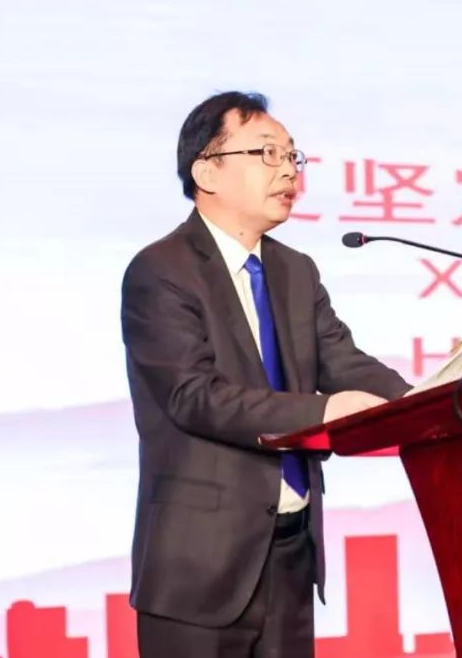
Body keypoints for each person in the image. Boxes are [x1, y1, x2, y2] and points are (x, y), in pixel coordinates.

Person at [120, 91, 410, 658]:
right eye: (266, 153)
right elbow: (194, 396)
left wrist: (435, 398)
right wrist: (322, 411)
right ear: (207, 171)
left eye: (292, 155)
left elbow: (344, 362)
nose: (288, 171)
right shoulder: (160, 270)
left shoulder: (295, 270)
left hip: (290, 556)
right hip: (199, 567)